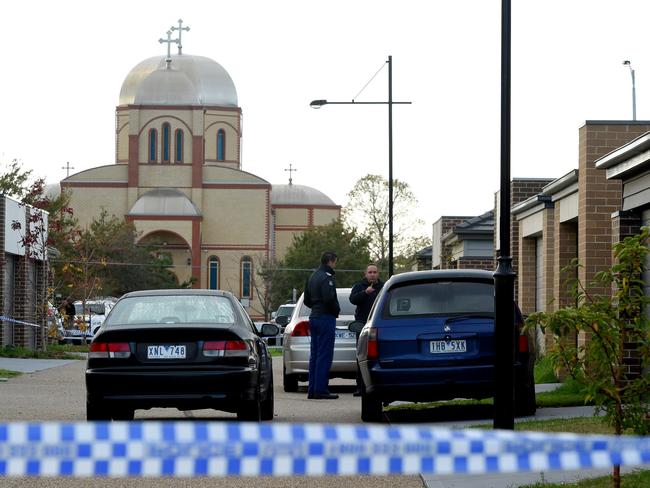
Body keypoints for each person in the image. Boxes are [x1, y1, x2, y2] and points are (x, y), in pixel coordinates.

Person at [304, 251, 340, 400]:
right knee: (325, 355)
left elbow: (307, 300)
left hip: (314, 317)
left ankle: (312, 389)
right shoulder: (327, 278)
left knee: (315, 355)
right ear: (331, 261)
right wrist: (336, 310)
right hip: (325, 318)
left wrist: (316, 306)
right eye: (335, 262)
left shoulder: (312, 276)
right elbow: (329, 299)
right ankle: (321, 390)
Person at [349, 263, 384, 396]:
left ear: (378, 274)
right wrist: (365, 293)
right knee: (361, 356)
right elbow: (352, 299)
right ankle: (360, 387)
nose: (372, 274)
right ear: (365, 274)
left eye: (375, 272)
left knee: (377, 356)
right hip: (362, 325)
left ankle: (377, 384)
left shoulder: (383, 287)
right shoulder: (359, 286)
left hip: (378, 326)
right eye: (370, 272)